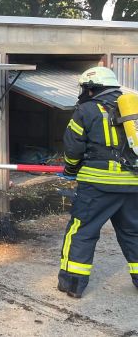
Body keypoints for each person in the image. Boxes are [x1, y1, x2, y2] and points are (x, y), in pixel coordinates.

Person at [59, 66, 138, 298]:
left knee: (82, 231)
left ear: (92, 89)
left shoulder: (86, 110)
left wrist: (70, 169)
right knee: (134, 233)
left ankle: (72, 284)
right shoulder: (132, 109)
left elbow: (73, 147)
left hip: (97, 185)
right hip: (133, 183)